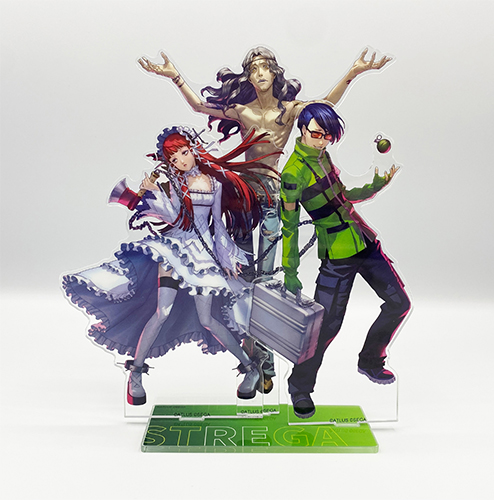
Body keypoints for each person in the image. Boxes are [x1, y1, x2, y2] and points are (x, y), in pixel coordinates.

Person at [63, 126, 277, 405]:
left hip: (203, 256)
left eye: (183, 153)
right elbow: (175, 218)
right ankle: (136, 373)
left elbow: (218, 225)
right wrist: (155, 195)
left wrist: (226, 258)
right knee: (161, 311)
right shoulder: (175, 184)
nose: (181, 161)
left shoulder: (214, 185)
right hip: (175, 250)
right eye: (174, 159)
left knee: (207, 319)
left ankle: (249, 369)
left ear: (193, 149)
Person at [138, 46, 392, 278]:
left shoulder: (288, 110)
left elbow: (324, 104)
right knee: (242, 245)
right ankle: (241, 291)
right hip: (244, 190)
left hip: (272, 189)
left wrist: (353, 72)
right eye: (254, 69)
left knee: (269, 245)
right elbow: (199, 106)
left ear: (274, 73)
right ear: (249, 77)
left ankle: (266, 285)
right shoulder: (242, 110)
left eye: (265, 67)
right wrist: (175, 76)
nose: (260, 73)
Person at [280, 103, 411, 418]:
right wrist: (290, 271)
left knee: (399, 304)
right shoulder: (292, 174)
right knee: (325, 326)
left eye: (328, 136)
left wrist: (374, 186)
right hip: (336, 254)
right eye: (317, 134)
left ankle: (371, 359)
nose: (322, 141)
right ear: (302, 129)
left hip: (364, 241)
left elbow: (343, 195)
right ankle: (299, 387)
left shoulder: (323, 157)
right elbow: (289, 227)